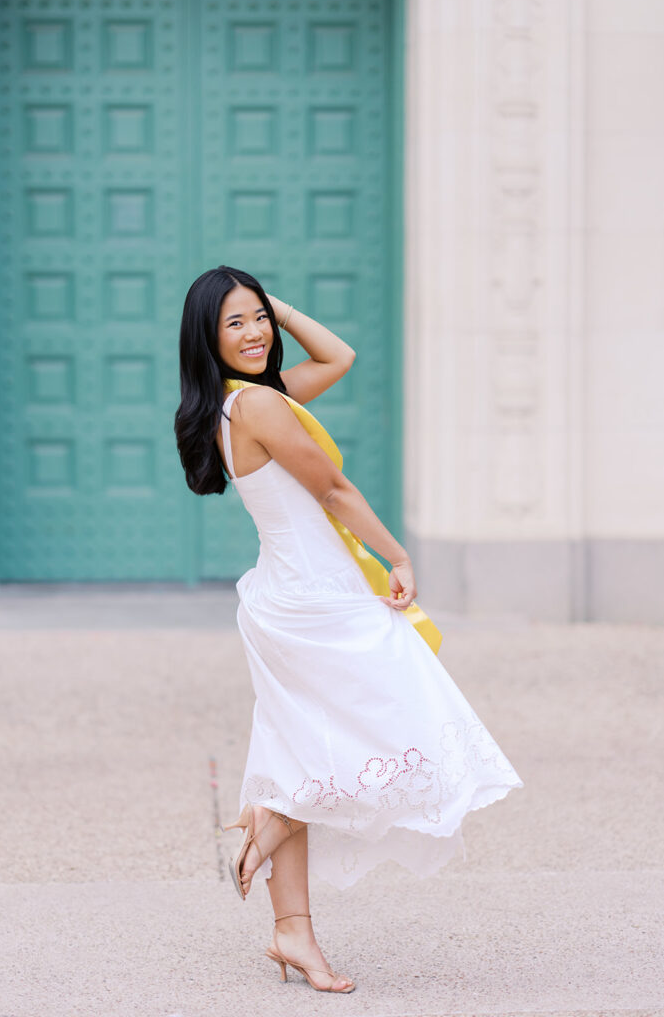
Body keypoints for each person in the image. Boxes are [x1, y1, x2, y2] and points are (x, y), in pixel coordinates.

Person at [174, 264, 523, 994]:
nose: (253, 332)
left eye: (258, 317)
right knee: (397, 719)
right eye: (232, 323)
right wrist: (398, 553)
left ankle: (290, 932)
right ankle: (274, 815)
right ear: (206, 340)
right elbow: (331, 489)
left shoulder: (250, 401)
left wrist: (280, 307)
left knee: (292, 744)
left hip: (292, 595)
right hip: (316, 601)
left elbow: (338, 357)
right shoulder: (259, 409)